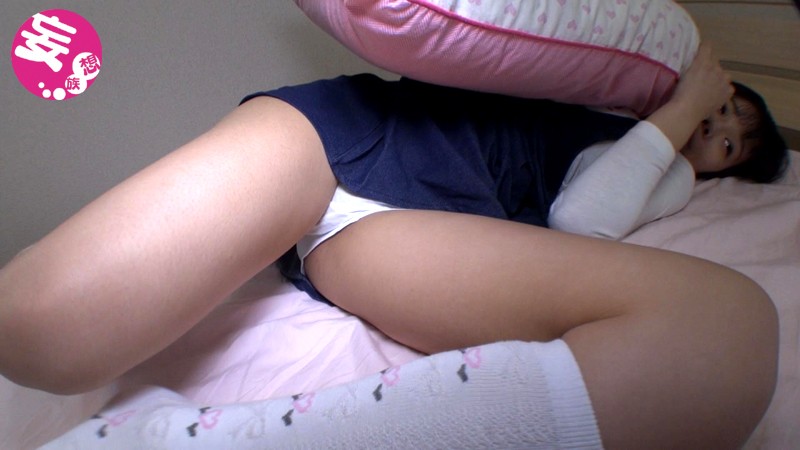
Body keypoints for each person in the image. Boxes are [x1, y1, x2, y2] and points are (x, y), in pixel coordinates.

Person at [0, 43, 784, 448]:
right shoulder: (619, 88)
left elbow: (584, 219)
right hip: (356, 129)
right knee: (33, 330)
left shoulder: (671, 170)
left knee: (721, 337)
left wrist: (684, 116)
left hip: (421, 221)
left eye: (731, 142)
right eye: (725, 109)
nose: (715, 127)